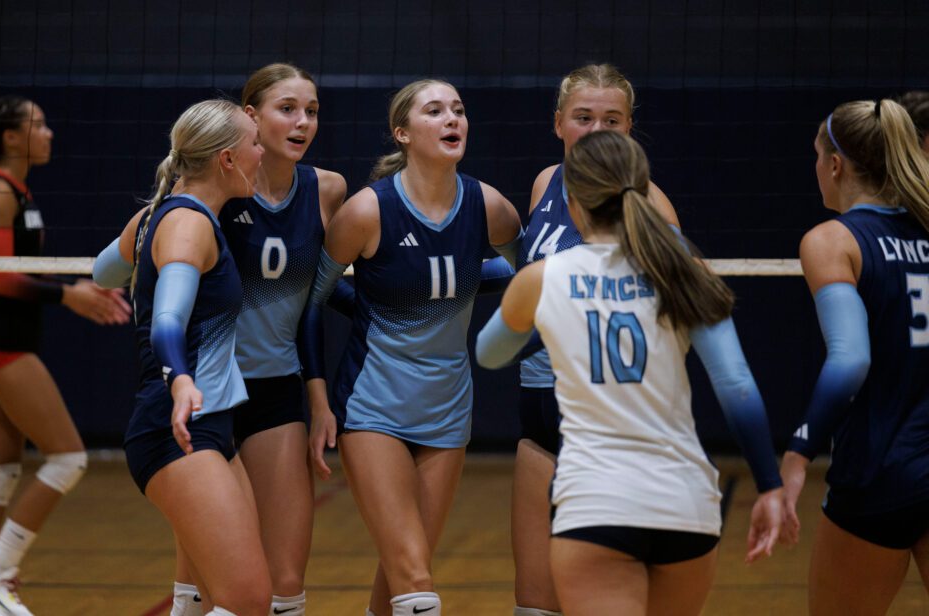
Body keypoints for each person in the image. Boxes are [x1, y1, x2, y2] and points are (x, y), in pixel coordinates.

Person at [477, 130, 785, 616]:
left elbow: (490, 354)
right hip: (686, 505)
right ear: (642, 193)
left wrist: (550, 326)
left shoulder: (542, 279)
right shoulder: (683, 270)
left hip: (595, 505)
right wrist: (770, 485)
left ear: (572, 199)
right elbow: (737, 386)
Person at [304, 79, 522, 616]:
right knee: (417, 582)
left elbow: (531, 274)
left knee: (404, 575)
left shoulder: (489, 206)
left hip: (448, 407)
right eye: (435, 111)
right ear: (403, 132)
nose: (453, 119)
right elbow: (311, 301)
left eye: (459, 110)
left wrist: (466, 280)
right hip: (374, 404)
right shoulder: (365, 212)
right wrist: (318, 401)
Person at [164, 63, 348, 616]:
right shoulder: (217, 190)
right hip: (209, 395)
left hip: (274, 390)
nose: (302, 122)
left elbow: (314, 300)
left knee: (286, 579)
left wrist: (318, 396)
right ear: (250, 116)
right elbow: (145, 253)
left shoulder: (327, 190)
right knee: (199, 578)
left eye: (311, 111)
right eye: (287, 108)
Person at [0, 96, 130, 616]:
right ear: (10, 137)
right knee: (69, 457)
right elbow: (0, 280)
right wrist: (68, 294)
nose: (49, 133)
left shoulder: (18, 192)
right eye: (38, 125)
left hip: (4, 339)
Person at [511, 63, 679, 616]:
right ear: (559, 123)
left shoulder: (650, 204)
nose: (596, 130)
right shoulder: (545, 183)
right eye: (584, 117)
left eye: (612, 119)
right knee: (534, 606)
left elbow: (679, 310)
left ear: (630, 129)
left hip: (608, 430)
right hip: (539, 422)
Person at [98, 98, 271, 616]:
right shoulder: (188, 226)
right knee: (247, 602)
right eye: (255, 143)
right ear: (226, 159)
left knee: (199, 601)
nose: (262, 154)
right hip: (177, 428)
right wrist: (179, 380)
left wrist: (144, 247)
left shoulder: (156, 217)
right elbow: (167, 322)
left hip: (210, 426)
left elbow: (102, 271)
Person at [779, 98, 929, 615]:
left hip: (879, 472)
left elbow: (849, 359)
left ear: (836, 164)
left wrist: (798, 454)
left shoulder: (833, 240)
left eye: (817, 156)